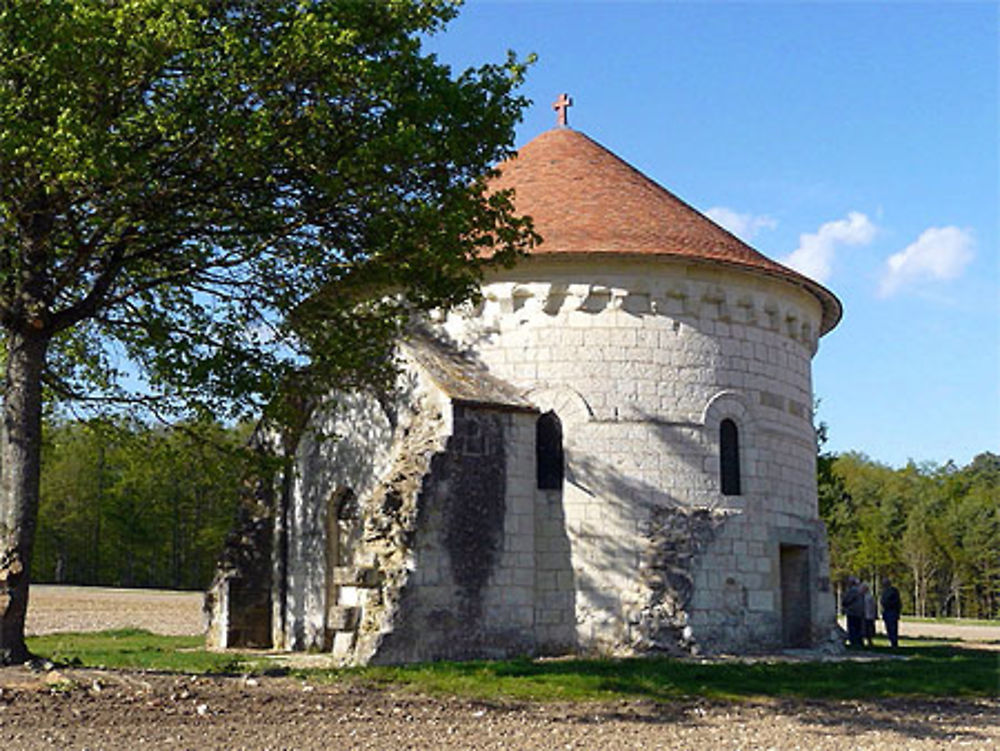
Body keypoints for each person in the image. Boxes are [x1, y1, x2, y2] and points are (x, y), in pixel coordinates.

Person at [841, 576, 865, 648]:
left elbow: (847, 600)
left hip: (853, 612)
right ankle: (858, 642)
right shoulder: (859, 590)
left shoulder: (853, 590)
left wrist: (844, 602)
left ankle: (854, 643)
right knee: (858, 628)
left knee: (853, 629)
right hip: (859, 612)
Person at [880, 577, 902, 648]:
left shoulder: (893, 591)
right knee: (888, 628)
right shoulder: (884, 591)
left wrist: (889, 605)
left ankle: (894, 643)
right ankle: (892, 642)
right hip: (886, 612)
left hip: (892, 612)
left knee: (893, 628)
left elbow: (897, 602)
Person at [861, 582, 877, 647]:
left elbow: (871, 607)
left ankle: (869, 642)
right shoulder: (865, 596)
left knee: (868, 630)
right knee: (865, 630)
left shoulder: (869, 597)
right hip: (866, 615)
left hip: (868, 616)